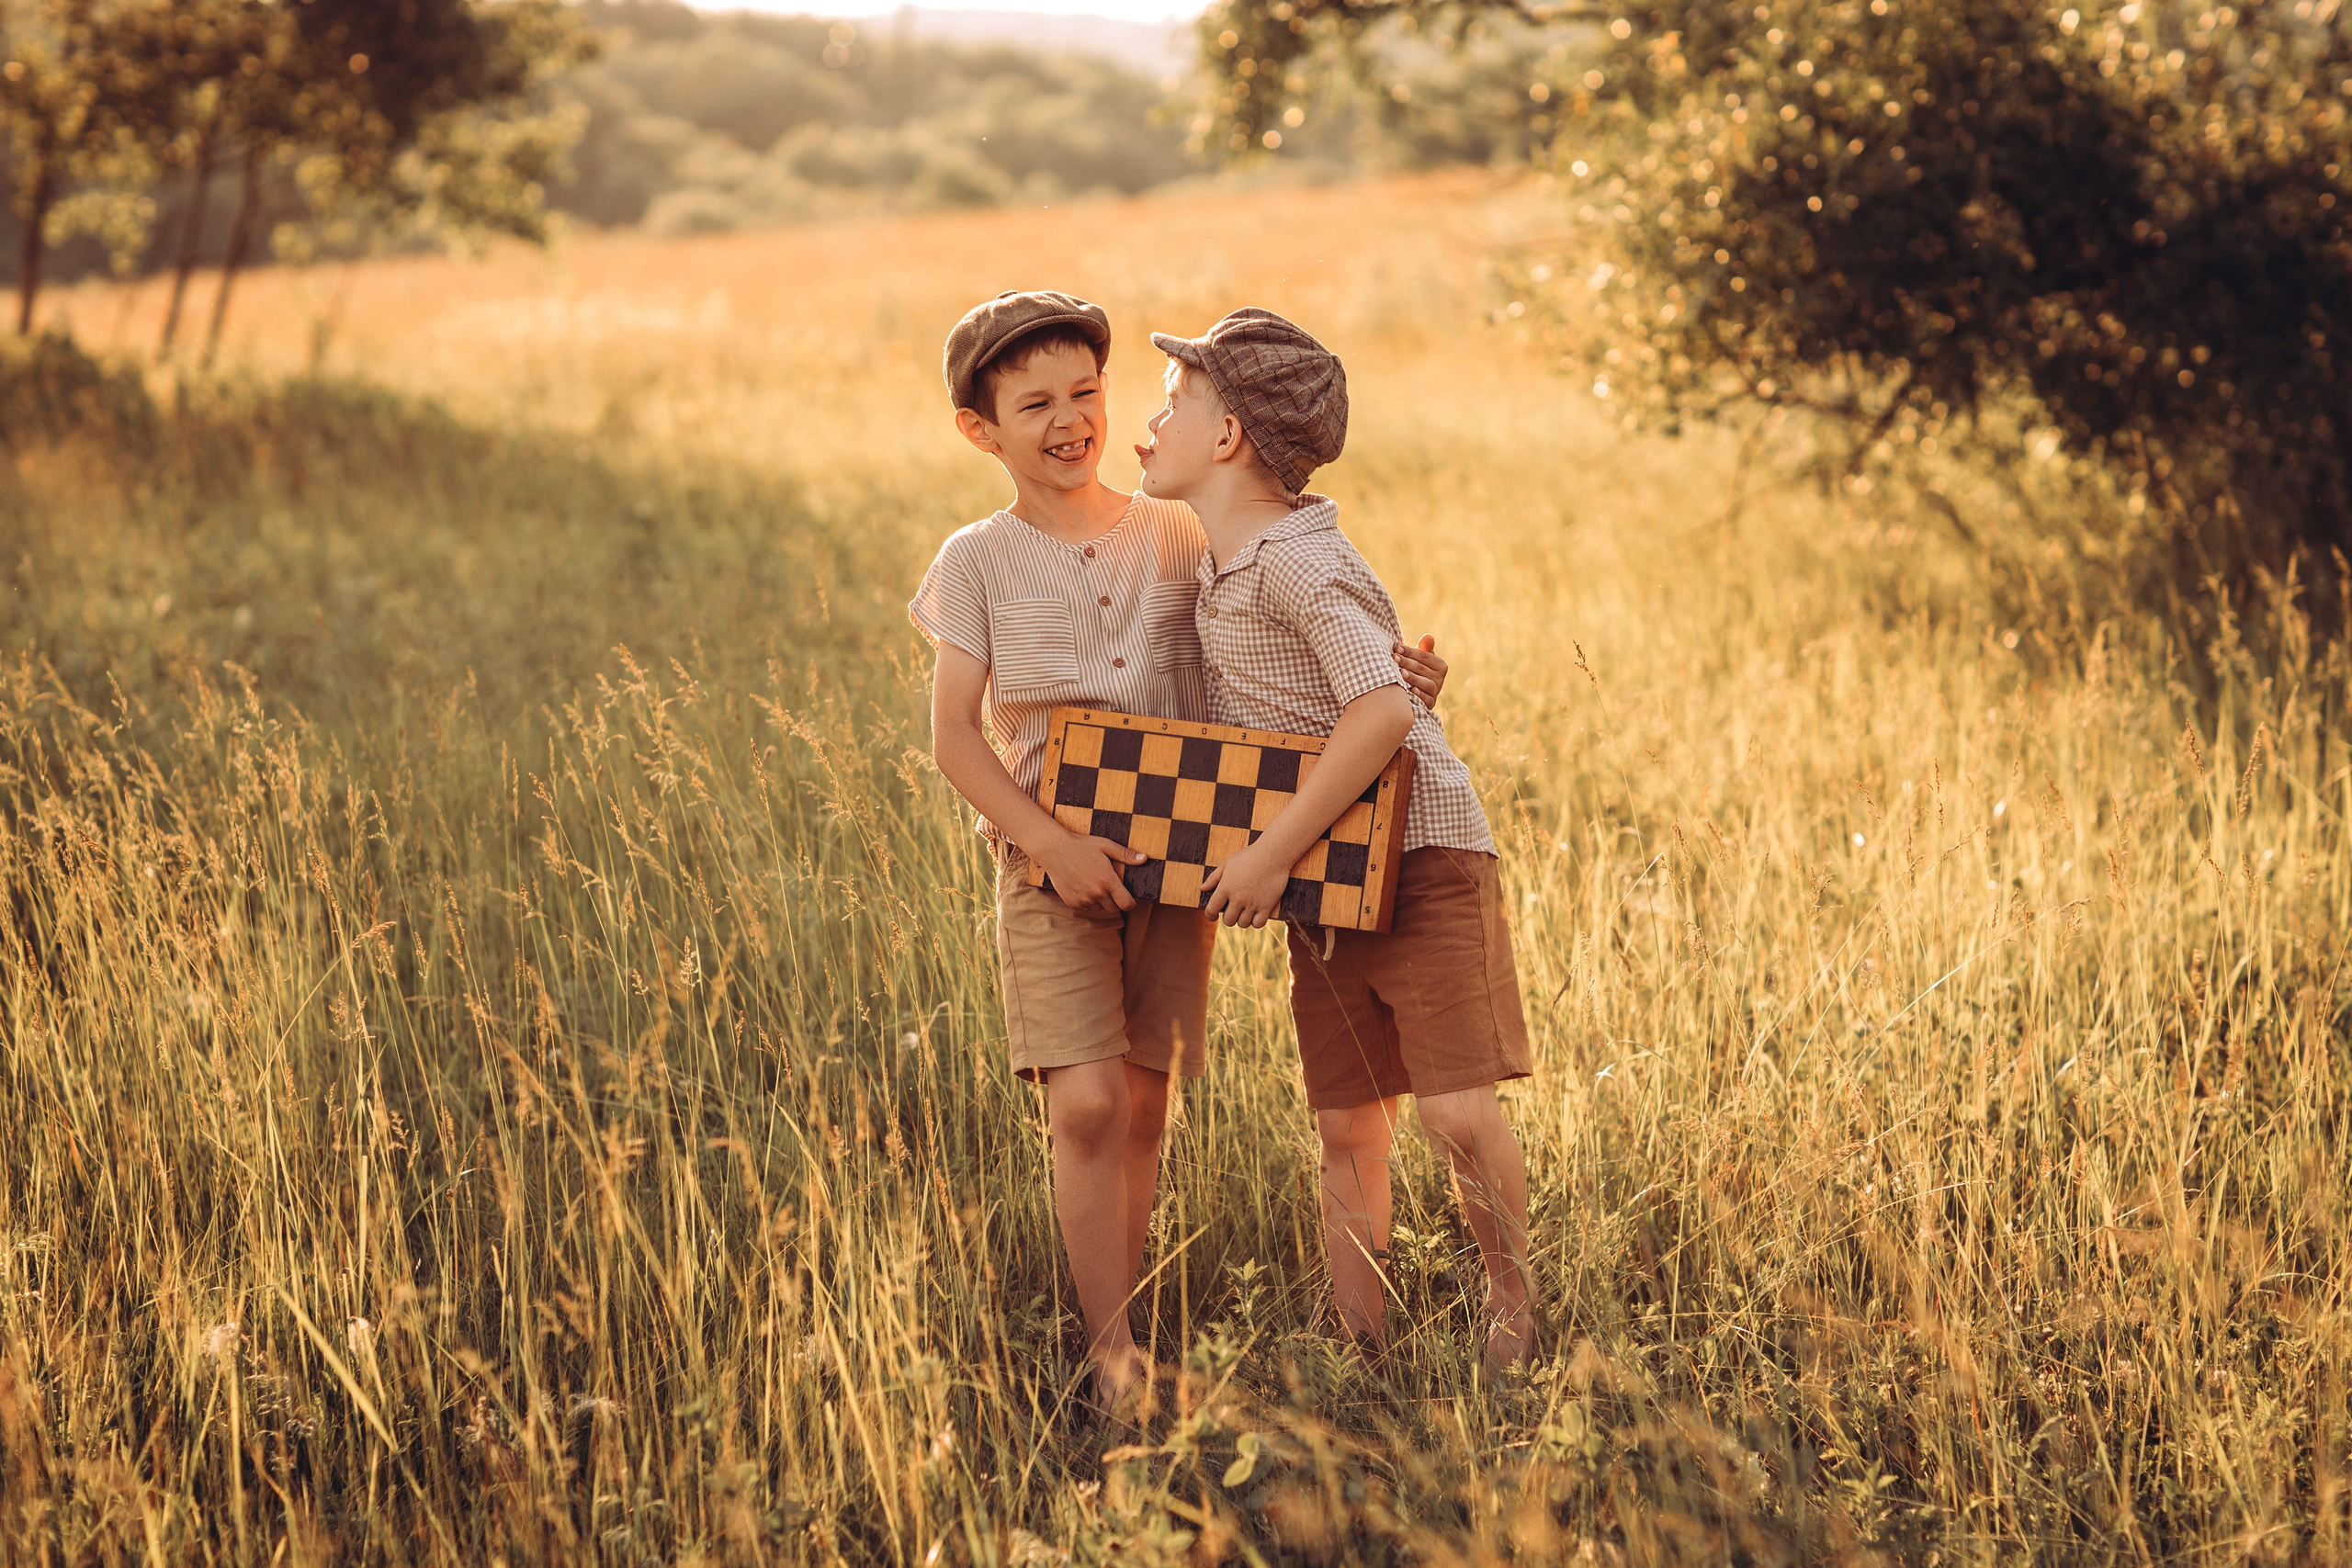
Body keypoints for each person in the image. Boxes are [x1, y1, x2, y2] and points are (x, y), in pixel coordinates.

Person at [907, 290, 1453, 1416]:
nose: (1069, 422)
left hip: (1180, 852)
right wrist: (1050, 843)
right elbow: (955, 737)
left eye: (1084, 394)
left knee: (1148, 1103)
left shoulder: (1173, 529)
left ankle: (1139, 1324)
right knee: (1089, 1101)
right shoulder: (977, 560)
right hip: (1050, 854)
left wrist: (1400, 681)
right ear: (980, 429)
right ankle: (1108, 1355)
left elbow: (1279, 643)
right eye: (1033, 404)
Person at [1136, 306, 1539, 1376]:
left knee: (1454, 1107)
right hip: (1332, 883)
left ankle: (1515, 1308)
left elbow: (1379, 712)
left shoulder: (1291, 561)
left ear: (1226, 440)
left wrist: (1264, 855)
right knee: (1349, 1120)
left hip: (1417, 856)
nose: (1148, 424)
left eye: (1172, 406)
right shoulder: (1226, 562)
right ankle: (1358, 1339)